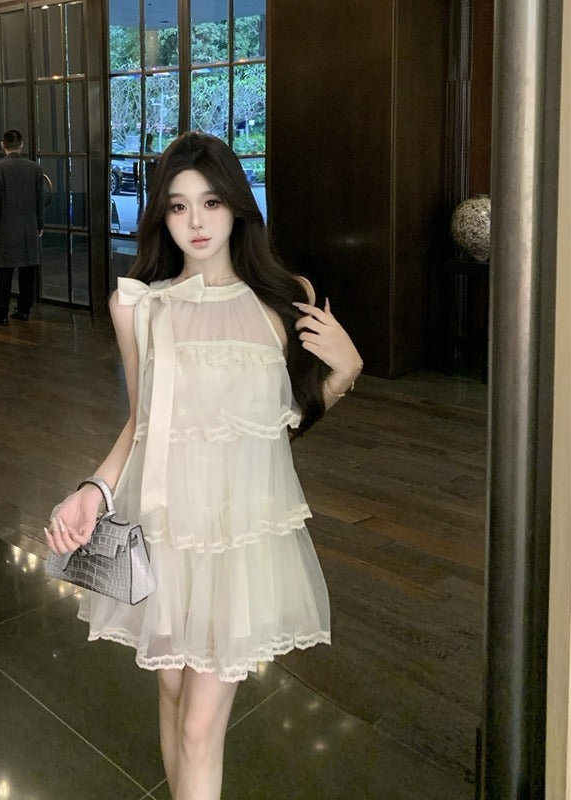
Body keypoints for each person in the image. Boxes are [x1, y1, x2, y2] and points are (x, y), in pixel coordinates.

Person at [45, 131, 362, 799]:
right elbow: (140, 423)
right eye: (179, 205)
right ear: (161, 214)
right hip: (167, 529)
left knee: (199, 723)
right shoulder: (141, 306)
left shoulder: (284, 298)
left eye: (211, 202)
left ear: (237, 206)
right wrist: (93, 491)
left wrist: (347, 370)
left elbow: (283, 421)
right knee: (172, 693)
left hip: (241, 537)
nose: (196, 221)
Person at [0, 129, 45, 324]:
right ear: (21, 145)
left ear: (3, 145)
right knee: (28, 271)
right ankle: (24, 309)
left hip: (6, 227)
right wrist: (39, 224)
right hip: (29, 226)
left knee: (4, 272)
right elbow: (40, 200)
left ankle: (0, 313)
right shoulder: (35, 169)